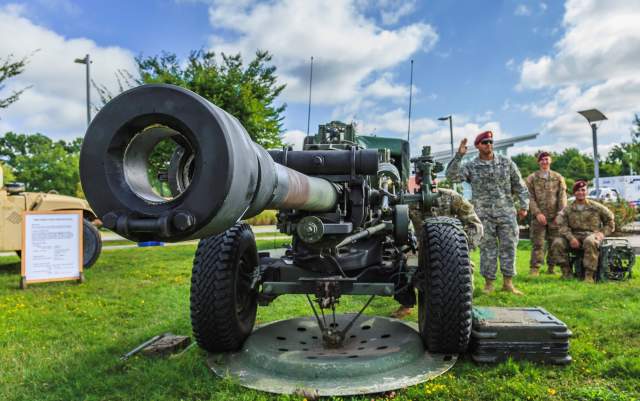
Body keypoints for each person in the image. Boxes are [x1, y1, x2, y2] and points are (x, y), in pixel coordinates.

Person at [446, 131, 529, 295]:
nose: (489, 144)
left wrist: (524, 205)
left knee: (509, 246)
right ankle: (489, 284)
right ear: (477, 146)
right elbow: (452, 176)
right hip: (483, 214)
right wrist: (459, 156)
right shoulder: (472, 165)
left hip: (506, 212)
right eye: (484, 142)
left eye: (491, 141)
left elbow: (520, 185)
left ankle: (508, 283)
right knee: (488, 248)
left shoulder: (506, 163)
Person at [391, 175, 484, 318]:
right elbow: (398, 227)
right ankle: (406, 303)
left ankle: (462, 305)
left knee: (463, 268)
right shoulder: (409, 201)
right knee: (401, 264)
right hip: (421, 248)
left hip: (450, 246)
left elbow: (475, 224)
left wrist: (460, 246)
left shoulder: (451, 197)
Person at [549, 180, 615, 282]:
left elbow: (610, 221)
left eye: (583, 190)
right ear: (574, 193)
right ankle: (567, 273)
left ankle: (589, 275)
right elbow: (561, 225)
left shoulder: (596, 206)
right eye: (578, 190)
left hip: (592, 235)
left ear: (586, 192)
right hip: (574, 235)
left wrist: (602, 233)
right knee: (557, 243)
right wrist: (571, 238)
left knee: (590, 241)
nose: (581, 192)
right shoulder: (568, 208)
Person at [526, 152, 567, 276]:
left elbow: (562, 196)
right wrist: (537, 213)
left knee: (554, 243)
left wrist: (561, 213)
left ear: (551, 161)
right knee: (538, 243)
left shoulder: (558, 177)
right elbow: (529, 197)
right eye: (542, 160)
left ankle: (552, 268)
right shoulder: (532, 178)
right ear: (538, 162)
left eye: (546, 159)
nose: (544, 162)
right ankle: (535, 268)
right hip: (538, 217)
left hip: (555, 216)